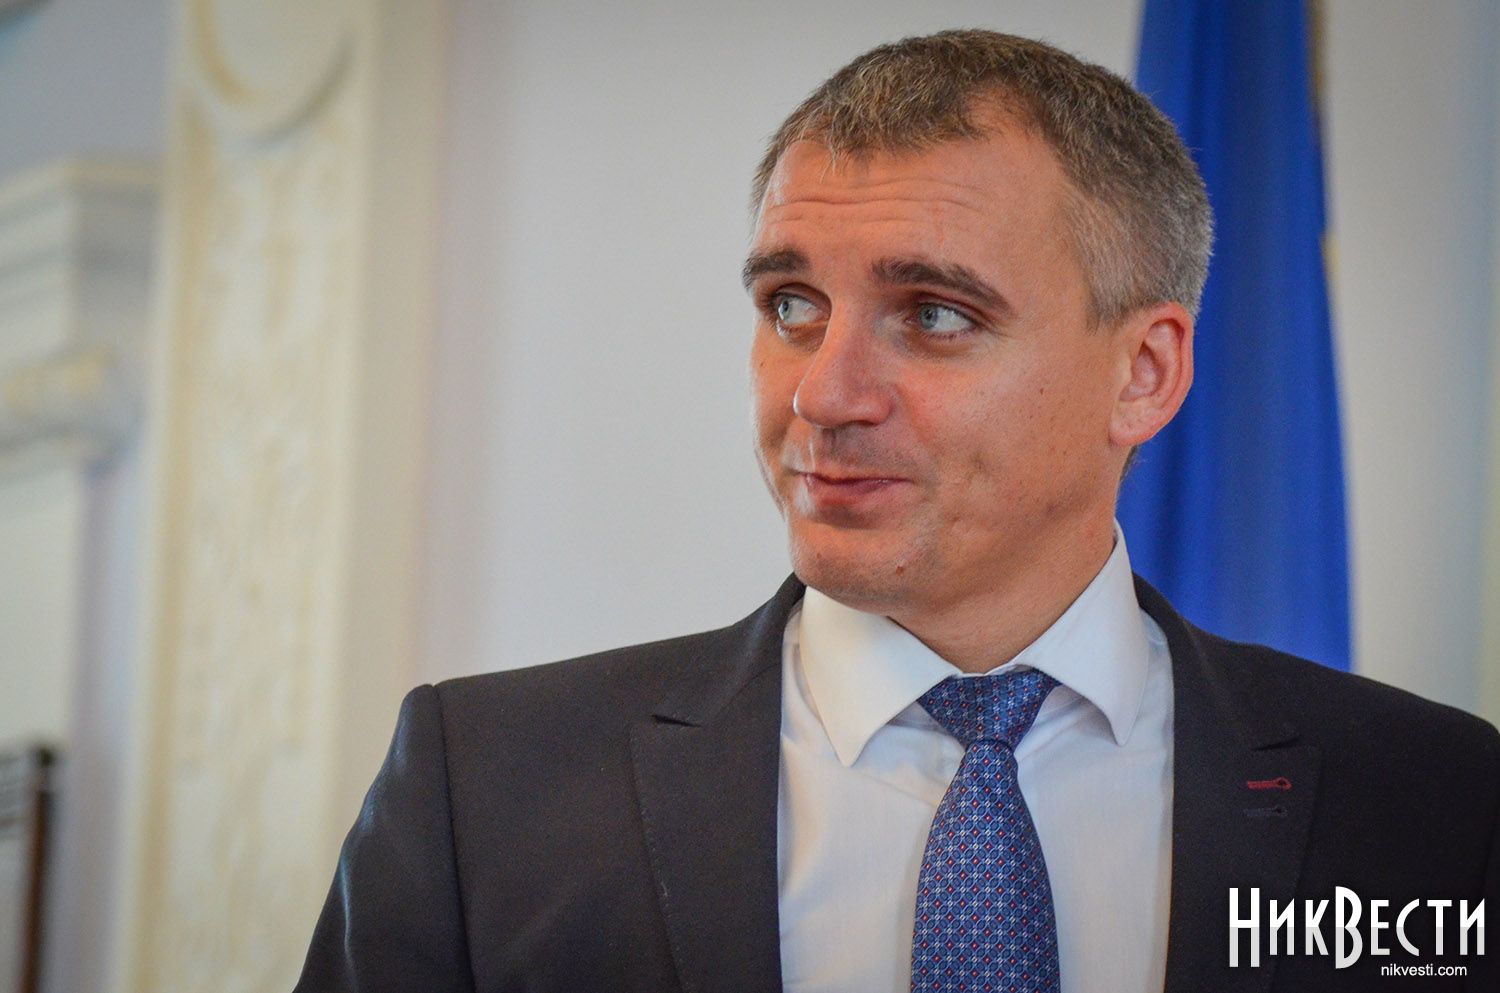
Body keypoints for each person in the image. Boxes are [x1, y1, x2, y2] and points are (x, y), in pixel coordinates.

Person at [294, 30, 1498, 993]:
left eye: (933, 315)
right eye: (791, 305)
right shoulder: (483, 790)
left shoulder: (1434, 799)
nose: (823, 394)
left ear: (1144, 374)